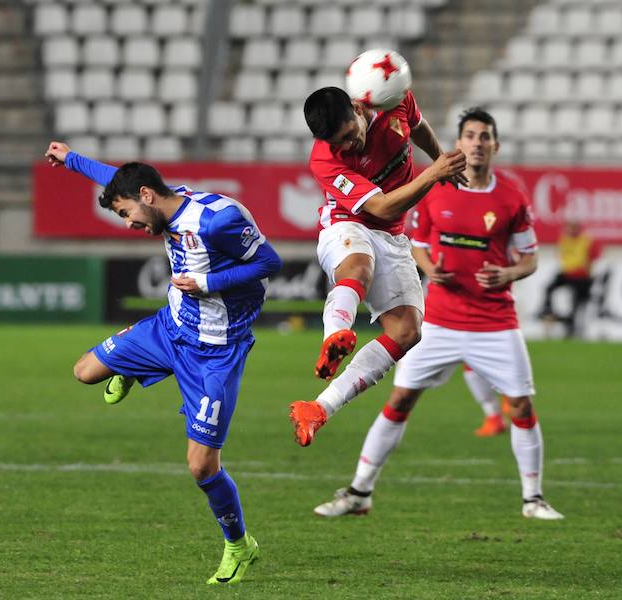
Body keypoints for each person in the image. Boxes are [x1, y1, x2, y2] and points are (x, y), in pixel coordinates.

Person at [44, 141, 282, 585]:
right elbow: (116, 180)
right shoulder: (156, 200)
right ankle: (136, 369)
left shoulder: (219, 219)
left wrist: (208, 282)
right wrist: (71, 158)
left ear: (147, 197)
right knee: (85, 372)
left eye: (126, 213)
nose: (129, 223)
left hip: (217, 350)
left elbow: (271, 261)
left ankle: (238, 545)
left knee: (201, 467)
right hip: (169, 328)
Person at [312, 108, 564, 521]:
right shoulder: (436, 190)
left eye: (485, 136)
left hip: (495, 321)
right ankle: (359, 491)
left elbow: (531, 259)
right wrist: (429, 268)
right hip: (440, 321)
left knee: (520, 405)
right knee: (400, 399)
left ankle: (533, 498)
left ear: (495, 146)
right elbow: (414, 242)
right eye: (469, 135)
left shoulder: (512, 197)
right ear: (458, 143)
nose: (477, 143)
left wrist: (509, 272)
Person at [288, 86, 468, 447]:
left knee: (408, 331)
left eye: (350, 135)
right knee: (358, 265)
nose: (348, 146)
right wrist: (433, 173)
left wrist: (439, 159)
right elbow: (383, 207)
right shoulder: (324, 160)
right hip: (347, 223)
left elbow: (417, 125)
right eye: (338, 143)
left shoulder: (392, 99)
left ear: (358, 108)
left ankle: (318, 409)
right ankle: (333, 337)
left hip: (393, 236)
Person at [538, 219, 601, 338]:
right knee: (549, 288)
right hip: (567, 273)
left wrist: (589, 272)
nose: (569, 230)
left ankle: (572, 326)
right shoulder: (565, 238)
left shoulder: (587, 239)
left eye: (572, 227)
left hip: (582, 276)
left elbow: (594, 258)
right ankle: (548, 310)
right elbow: (562, 255)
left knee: (577, 302)